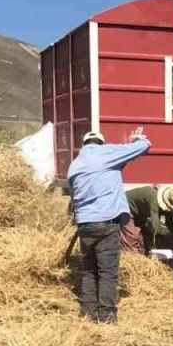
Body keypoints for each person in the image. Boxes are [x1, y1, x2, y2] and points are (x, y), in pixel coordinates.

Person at [66, 127, 151, 323]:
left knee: (89, 270)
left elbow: (72, 194)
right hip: (106, 223)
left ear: (84, 145)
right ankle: (106, 315)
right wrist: (138, 139)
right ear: (101, 143)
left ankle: (88, 312)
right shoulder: (107, 153)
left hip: (85, 225)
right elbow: (143, 146)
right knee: (107, 272)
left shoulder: (74, 165)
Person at [126, 185, 173, 253]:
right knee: (132, 237)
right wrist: (170, 234)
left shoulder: (169, 203)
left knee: (142, 238)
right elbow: (156, 228)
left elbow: (170, 223)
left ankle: (142, 253)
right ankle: (130, 255)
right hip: (125, 206)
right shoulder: (154, 201)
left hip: (140, 212)